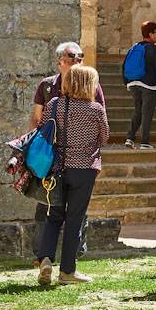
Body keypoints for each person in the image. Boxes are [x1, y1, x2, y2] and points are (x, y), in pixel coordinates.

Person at [29, 42, 105, 263]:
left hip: (58, 164)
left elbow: (42, 125)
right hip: (83, 166)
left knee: (54, 215)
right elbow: (104, 135)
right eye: (71, 58)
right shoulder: (95, 108)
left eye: (79, 58)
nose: (75, 62)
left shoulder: (53, 104)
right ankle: (68, 269)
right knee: (74, 217)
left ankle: (45, 258)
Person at [124, 21, 156, 149]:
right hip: (149, 86)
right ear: (150, 34)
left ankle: (130, 138)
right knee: (147, 113)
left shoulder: (133, 48)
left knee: (138, 111)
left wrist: (127, 82)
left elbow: (124, 66)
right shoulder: (154, 49)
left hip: (133, 83)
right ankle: (144, 142)